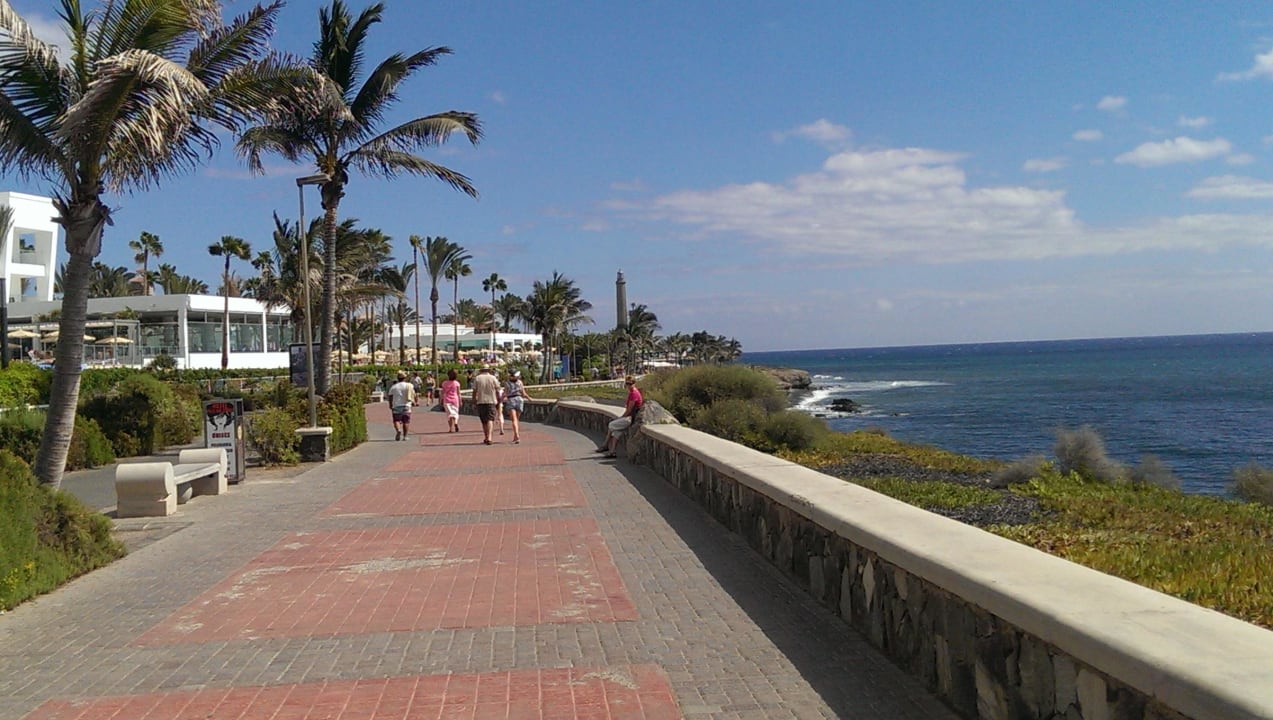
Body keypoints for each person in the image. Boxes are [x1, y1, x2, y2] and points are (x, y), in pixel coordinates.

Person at [597, 375, 643, 458]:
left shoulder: (634, 394)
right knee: (616, 432)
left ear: (634, 383)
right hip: (630, 417)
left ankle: (605, 445)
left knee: (611, 425)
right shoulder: (632, 393)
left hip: (631, 418)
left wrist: (621, 417)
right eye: (627, 383)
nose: (628, 385)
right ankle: (612, 451)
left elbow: (629, 410)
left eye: (630, 383)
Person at [471, 365, 502, 445]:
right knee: (490, 419)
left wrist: (474, 402)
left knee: (484, 421)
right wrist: (499, 400)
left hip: (481, 401)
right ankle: (489, 437)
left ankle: (486, 436)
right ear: (488, 370)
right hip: (491, 401)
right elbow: (498, 390)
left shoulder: (477, 378)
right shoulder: (493, 378)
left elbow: (474, 391)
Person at [503, 369, 532, 444]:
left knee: (514, 420)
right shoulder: (520, 382)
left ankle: (516, 435)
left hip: (511, 400)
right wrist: (529, 398)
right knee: (517, 419)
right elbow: (523, 393)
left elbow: (505, 393)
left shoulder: (507, 383)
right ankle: (515, 436)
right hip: (519, 400)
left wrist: (500, 399)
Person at [387, 370, 416, 441]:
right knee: (406, 421)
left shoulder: (394, 387)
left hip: (396, 405)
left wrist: (390, 404)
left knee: (396, 420)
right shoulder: (409, 385)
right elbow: (413, 394)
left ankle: (398, 430)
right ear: (405, 378)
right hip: (406, 405)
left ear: (397, 378)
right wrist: (414, 401)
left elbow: (390, 396)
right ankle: (405, 436)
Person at [441, 368, 462, 432]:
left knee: (449, 414)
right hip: (455, 399)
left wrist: (441, 400)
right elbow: (459, 393)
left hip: (447, 400)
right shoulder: (457, 383)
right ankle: (455, 422)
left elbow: (442, 393)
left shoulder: (444, 383)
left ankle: (450, 428)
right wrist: (460, 401)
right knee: (455, 413)